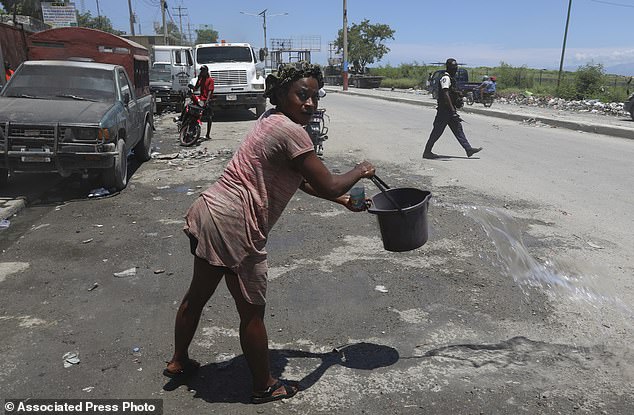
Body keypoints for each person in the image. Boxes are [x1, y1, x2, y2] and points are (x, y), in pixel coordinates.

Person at [164, 62, 376, 404]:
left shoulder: (270, 120)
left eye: (314, 97)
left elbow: (303, 180)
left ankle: (178, 362)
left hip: (211, 210)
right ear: (280, 94)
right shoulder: (293, 132)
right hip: (235, 225)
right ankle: (264, 385)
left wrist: (342, 200)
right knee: (251, 311)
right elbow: (328, 180)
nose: (309, 103)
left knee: (198, 295)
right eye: (301, 95)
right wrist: (362, 170)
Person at [423, 58, 483, 159]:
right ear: (448, 67)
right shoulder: (445, 78)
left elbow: (450, 93)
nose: (455, 69)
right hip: (444, 110)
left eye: (456, 67)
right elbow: (446, 94)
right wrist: (452, 111)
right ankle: (427, 152)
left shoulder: (451, 78)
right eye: (453, 67)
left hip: (450, 110)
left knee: (458, 129)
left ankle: (468, 149)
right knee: (437, 132)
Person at [194, 65, 214, 139]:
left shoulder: (210, 80)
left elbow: (210, 91)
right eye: (201, 71)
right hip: (201, 99)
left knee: (209, 117)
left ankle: (208, 134)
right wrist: (198, 79)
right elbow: (196, 88)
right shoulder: (201, 79)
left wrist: (207, 101)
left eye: (203, 70)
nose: (202, 72)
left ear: (206, 71)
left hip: (207, 100)